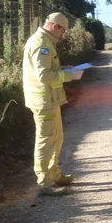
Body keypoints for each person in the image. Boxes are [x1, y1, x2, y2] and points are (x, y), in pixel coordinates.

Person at [22, 12, 84, 196]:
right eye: (63, 31)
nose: (63, 35)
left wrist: (64, 69)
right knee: (45, 140)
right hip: (43, 101)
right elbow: (44, 76)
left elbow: (49, 69)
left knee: (56, 138)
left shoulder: (45, 41)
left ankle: (55, 175)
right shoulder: (41, 44)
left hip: (50, 100)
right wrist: (69, 76)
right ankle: (45, 182)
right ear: (56, 27)